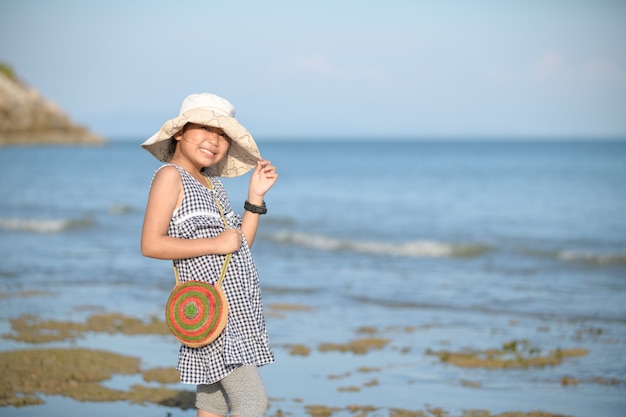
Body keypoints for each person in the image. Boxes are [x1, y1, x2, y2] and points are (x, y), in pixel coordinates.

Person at [140, 93, 278, 417]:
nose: (214, 140)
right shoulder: (170, 176)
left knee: (213, 403)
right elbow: (151, 244)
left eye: (222, 134)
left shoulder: (212, 184)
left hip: (232, 310)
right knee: (252, 401)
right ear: (179, 132)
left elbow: (237, 245)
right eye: (204, 128)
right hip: (209, 307)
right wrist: (214, 244)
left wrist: (254, 198)